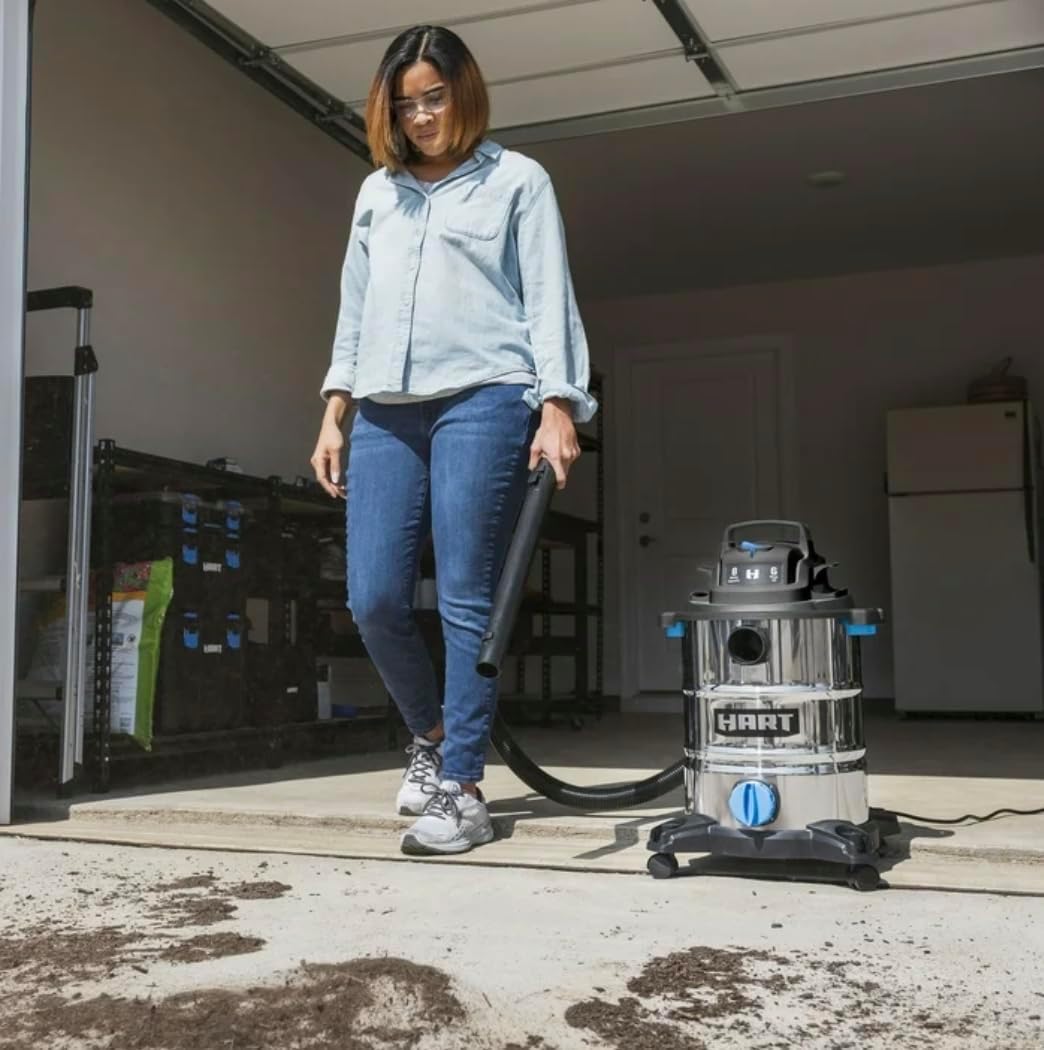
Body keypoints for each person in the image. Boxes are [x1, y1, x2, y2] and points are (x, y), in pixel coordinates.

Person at [310, 25, 597, 856]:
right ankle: (433, 738)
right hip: (387, 411)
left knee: (470, 595)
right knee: (373, 598)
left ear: (463, 92)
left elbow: (548, 299)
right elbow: (354, 311)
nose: (423, 116)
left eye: (435, 97)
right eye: (407, 103)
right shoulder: (377, 194)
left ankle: (465, 791)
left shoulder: (518, 182)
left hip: (484, 397)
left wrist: (557, 407)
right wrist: (335, 410)